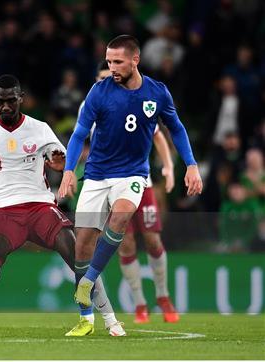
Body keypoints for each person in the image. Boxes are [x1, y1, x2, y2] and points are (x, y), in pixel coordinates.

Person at [0, 75, 125, 337]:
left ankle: (110, 319)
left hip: (40, 206)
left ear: (20, 99)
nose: (5, 107)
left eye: (11, 101)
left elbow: (59, 158)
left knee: (79, 256)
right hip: (3, 209)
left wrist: (61, 163)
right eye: (0, 101)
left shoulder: (40, 129)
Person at [59, 35, 202, 335]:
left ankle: (87, 282)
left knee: (121, 216)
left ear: (135, 60)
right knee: (82, 243)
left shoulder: (157, 93)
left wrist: (190, 164)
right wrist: (69, 171)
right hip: (96, 175)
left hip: (132, 174)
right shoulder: (98, 93)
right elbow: (78, 134)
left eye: (118, 62)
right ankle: (86, 318)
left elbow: (175, 128)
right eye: (109, 61)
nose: (112, 67)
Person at [94, 60, 180, 323]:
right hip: (112, 188)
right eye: (101, 79)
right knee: (126, 242)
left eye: (109, 77)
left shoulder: (130, 103)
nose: (106, 82)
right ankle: (140, 303)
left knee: (152, 239)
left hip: (141, 185)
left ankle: (163, 297)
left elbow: (157, 135)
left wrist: (168, 167)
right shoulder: (93, 108)